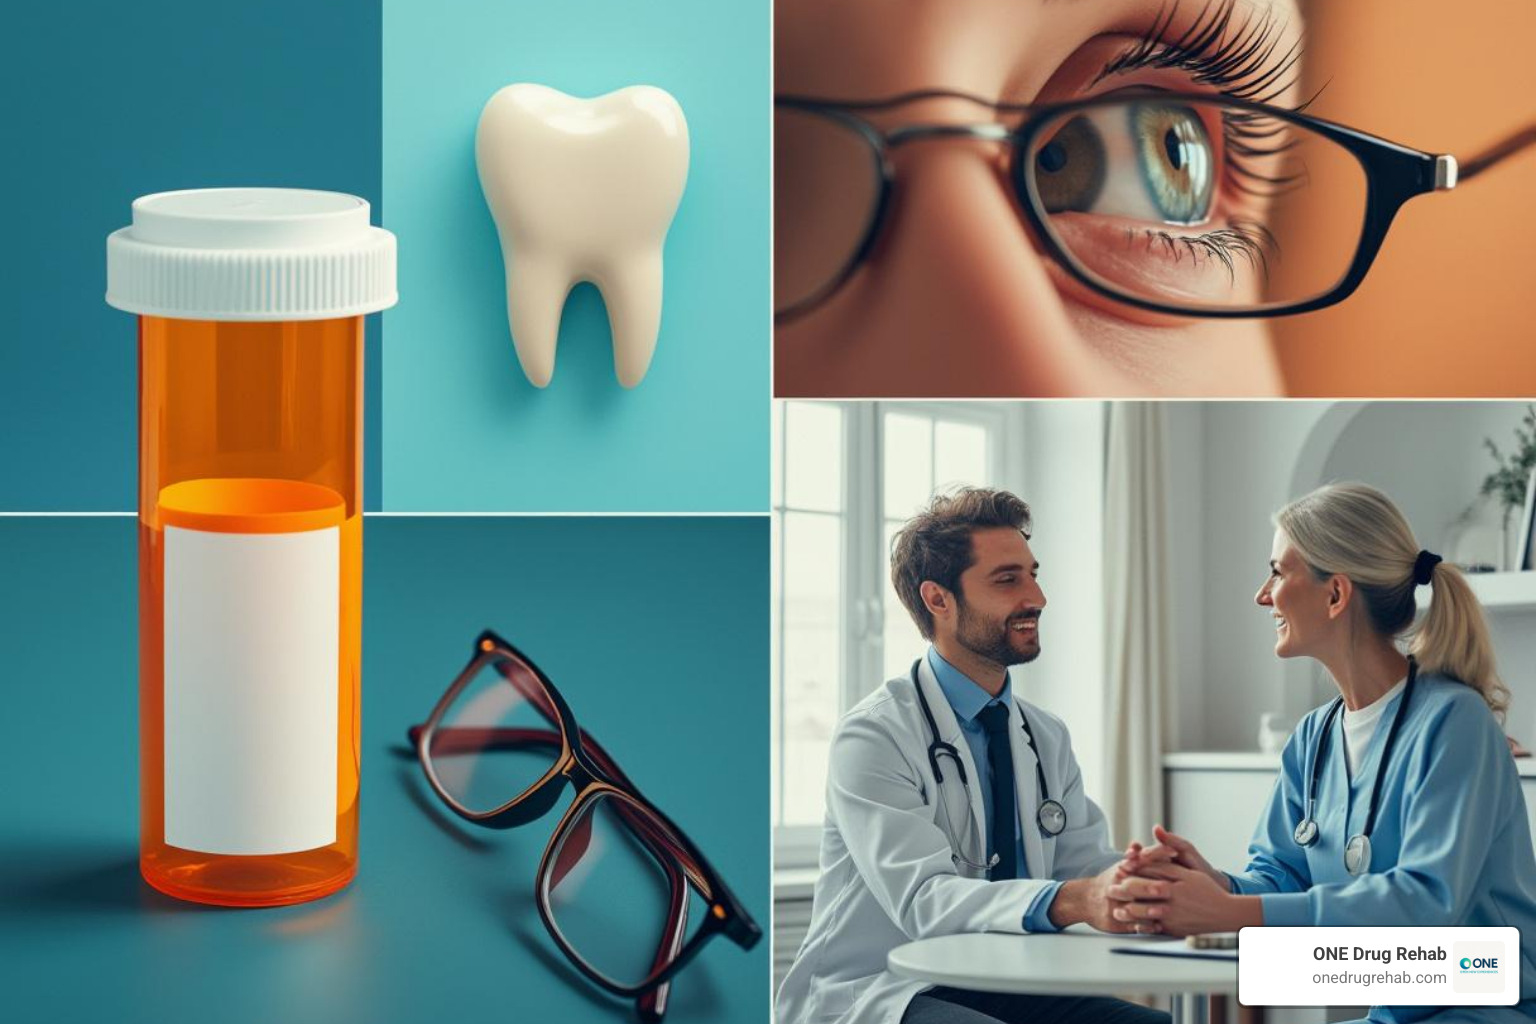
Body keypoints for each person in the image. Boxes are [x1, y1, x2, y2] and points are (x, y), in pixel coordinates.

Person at [1112, 483, 1536, 1022]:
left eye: (1277, 572)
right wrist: (1213, 885)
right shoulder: (1314, 737)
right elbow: (1280, 876)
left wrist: (1233, 912)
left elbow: (1426, 903)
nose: (1263, 595)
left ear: (1336, 594)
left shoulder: (1455, 723)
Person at [776, 488, 1169, 1024]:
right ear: (938, 599)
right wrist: (1077, 899)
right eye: (1008, 580)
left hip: (1016, 984)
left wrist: (1143, 880)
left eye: (1033, 574)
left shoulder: (1043, 735)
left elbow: (1082, 864)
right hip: (887, 989)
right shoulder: (873, 736)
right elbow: (925, 900)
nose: (1037, 597)